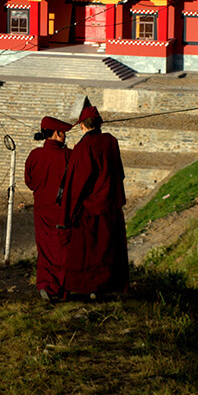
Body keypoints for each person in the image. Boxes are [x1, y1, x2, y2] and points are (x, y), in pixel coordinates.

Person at [59, 105, 129, 298]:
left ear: (82, 126)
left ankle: (92, 287)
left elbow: (79, 182)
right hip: (112, 204)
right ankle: (112, 286)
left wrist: (70, 211)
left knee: (91, 251)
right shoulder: (111, 141)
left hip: (91, 208)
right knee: (111, 248)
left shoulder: (84, 147)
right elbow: (119, 173)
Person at [24, 116, 73, 301]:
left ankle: (45, 284)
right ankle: (60, 289)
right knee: (62, 250)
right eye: (63, 134)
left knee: (44, 250)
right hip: (62, 211)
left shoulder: (34, 156)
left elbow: (29, 182)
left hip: (41, 211)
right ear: (57, 134)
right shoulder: (69, 156)